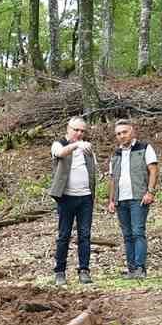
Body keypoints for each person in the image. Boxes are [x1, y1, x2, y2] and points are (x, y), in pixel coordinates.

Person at [49, 116, 97, 285]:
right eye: (76, 130)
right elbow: (60, 153)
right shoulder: (59, 144)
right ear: (68, 128)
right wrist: (76, 144)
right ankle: (60, 272)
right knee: (64, 235)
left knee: (85, 235)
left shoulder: (87, 148)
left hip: (85, 198)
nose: (79, 133)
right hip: (66, 198)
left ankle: (84, 270)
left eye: (82, 131)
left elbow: (93, 170)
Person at [107, 119, 158, 278]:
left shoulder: (145, 148)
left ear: (132, 131)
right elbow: (112, 179)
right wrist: (111, 200)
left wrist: (150, 192)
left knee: (138, 232)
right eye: (118, 134)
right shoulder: (116, 154)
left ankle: (140, 268)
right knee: (127, 235)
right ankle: (131, 269)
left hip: (138, 197)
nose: (122, 136)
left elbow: (153, 170)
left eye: (124, 132)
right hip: (121, 200)